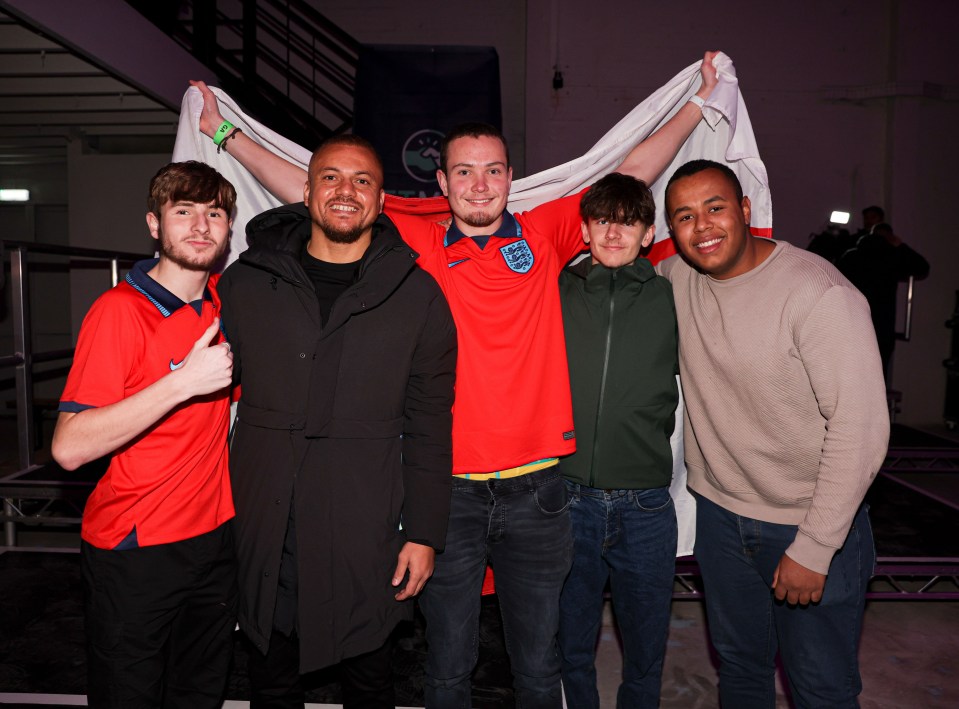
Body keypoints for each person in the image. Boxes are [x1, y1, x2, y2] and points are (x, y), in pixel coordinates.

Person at [191, 51, 718, 707]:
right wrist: (223, 133)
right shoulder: (411, 243)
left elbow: (633, 170)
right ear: (441, 181)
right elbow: (319, 185)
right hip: (448, 495)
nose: (477, 184)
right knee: (446, 667)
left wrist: (699, 103)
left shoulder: (549, 232)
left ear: (508, 178)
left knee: (535, 667)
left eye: (491, 170)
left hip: (538, 492)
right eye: (463, 171)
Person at [216, 134, 457, 707]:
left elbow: (429, 425)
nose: (345, 191)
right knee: (270, 679)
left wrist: (424, 533)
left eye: (362, 181)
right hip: (264, 517)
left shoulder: (418, 297)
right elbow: (201, 398)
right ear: (306, 190)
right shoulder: (246, 283)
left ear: (379, 203)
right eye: (330, 177)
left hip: (363, 522)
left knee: (370, 678)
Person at [659, 159, 889, 707]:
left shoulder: (819, 295)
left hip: (806, 521)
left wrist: (815, 547)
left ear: (745, 210)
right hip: (720, 519)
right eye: (685, 216)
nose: (703, 226)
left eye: (715, 208)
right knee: (740, 671)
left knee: (821, 688)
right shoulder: (675, 278)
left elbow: (861, 429)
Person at [51, 161, 238, 707]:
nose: (201, 226)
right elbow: (69, 447)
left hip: (214, 539)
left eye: (214, 214)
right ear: (155, 225)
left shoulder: (226, 302)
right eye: (184, 213)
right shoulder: (119, 312)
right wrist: (181, 384)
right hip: (136, 547)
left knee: (199, 693)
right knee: (128, 696)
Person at [557, 173, 679, 708]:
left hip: (646, 505)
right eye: (603, 220)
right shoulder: (554, 290)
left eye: (628, 222)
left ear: (648, 234)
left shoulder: (675, 297)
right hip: (565, 499)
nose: (613, 233)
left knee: (646, 651)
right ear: (584, 229)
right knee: (569, 647)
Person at [837, 219, 930, 382]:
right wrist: (900, 245)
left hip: (850, 322)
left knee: (845, 376)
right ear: (889, 237)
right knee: (876, 379)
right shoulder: (892, 256)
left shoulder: (851, 255)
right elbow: (922, 267)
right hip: (882, 327)